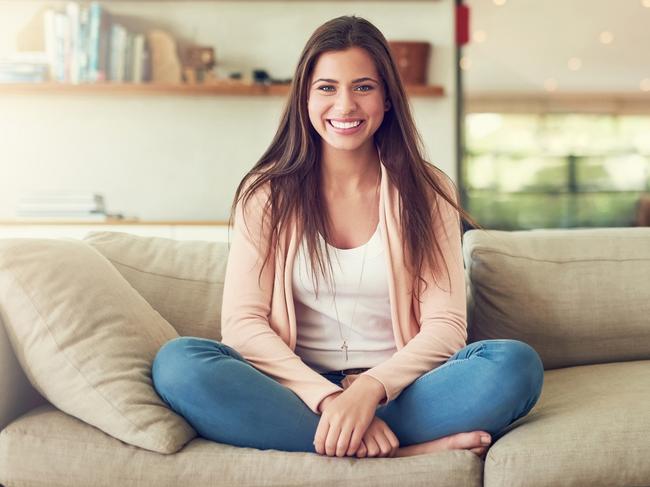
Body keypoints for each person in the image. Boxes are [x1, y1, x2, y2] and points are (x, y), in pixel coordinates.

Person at [151, 15, 544, 460]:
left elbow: (446, 327)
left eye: (363, 87)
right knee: (179, 365)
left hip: (403, 392)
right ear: (303, 96)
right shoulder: (265, 195)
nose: (344, 106)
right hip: (298, 393)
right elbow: (243, 326)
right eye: (326, 88)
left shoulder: (427, 191)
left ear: (387, 98)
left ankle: (342, 438)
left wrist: (370, 391)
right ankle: (399, 449)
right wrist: (330, 398)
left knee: (514, 366)